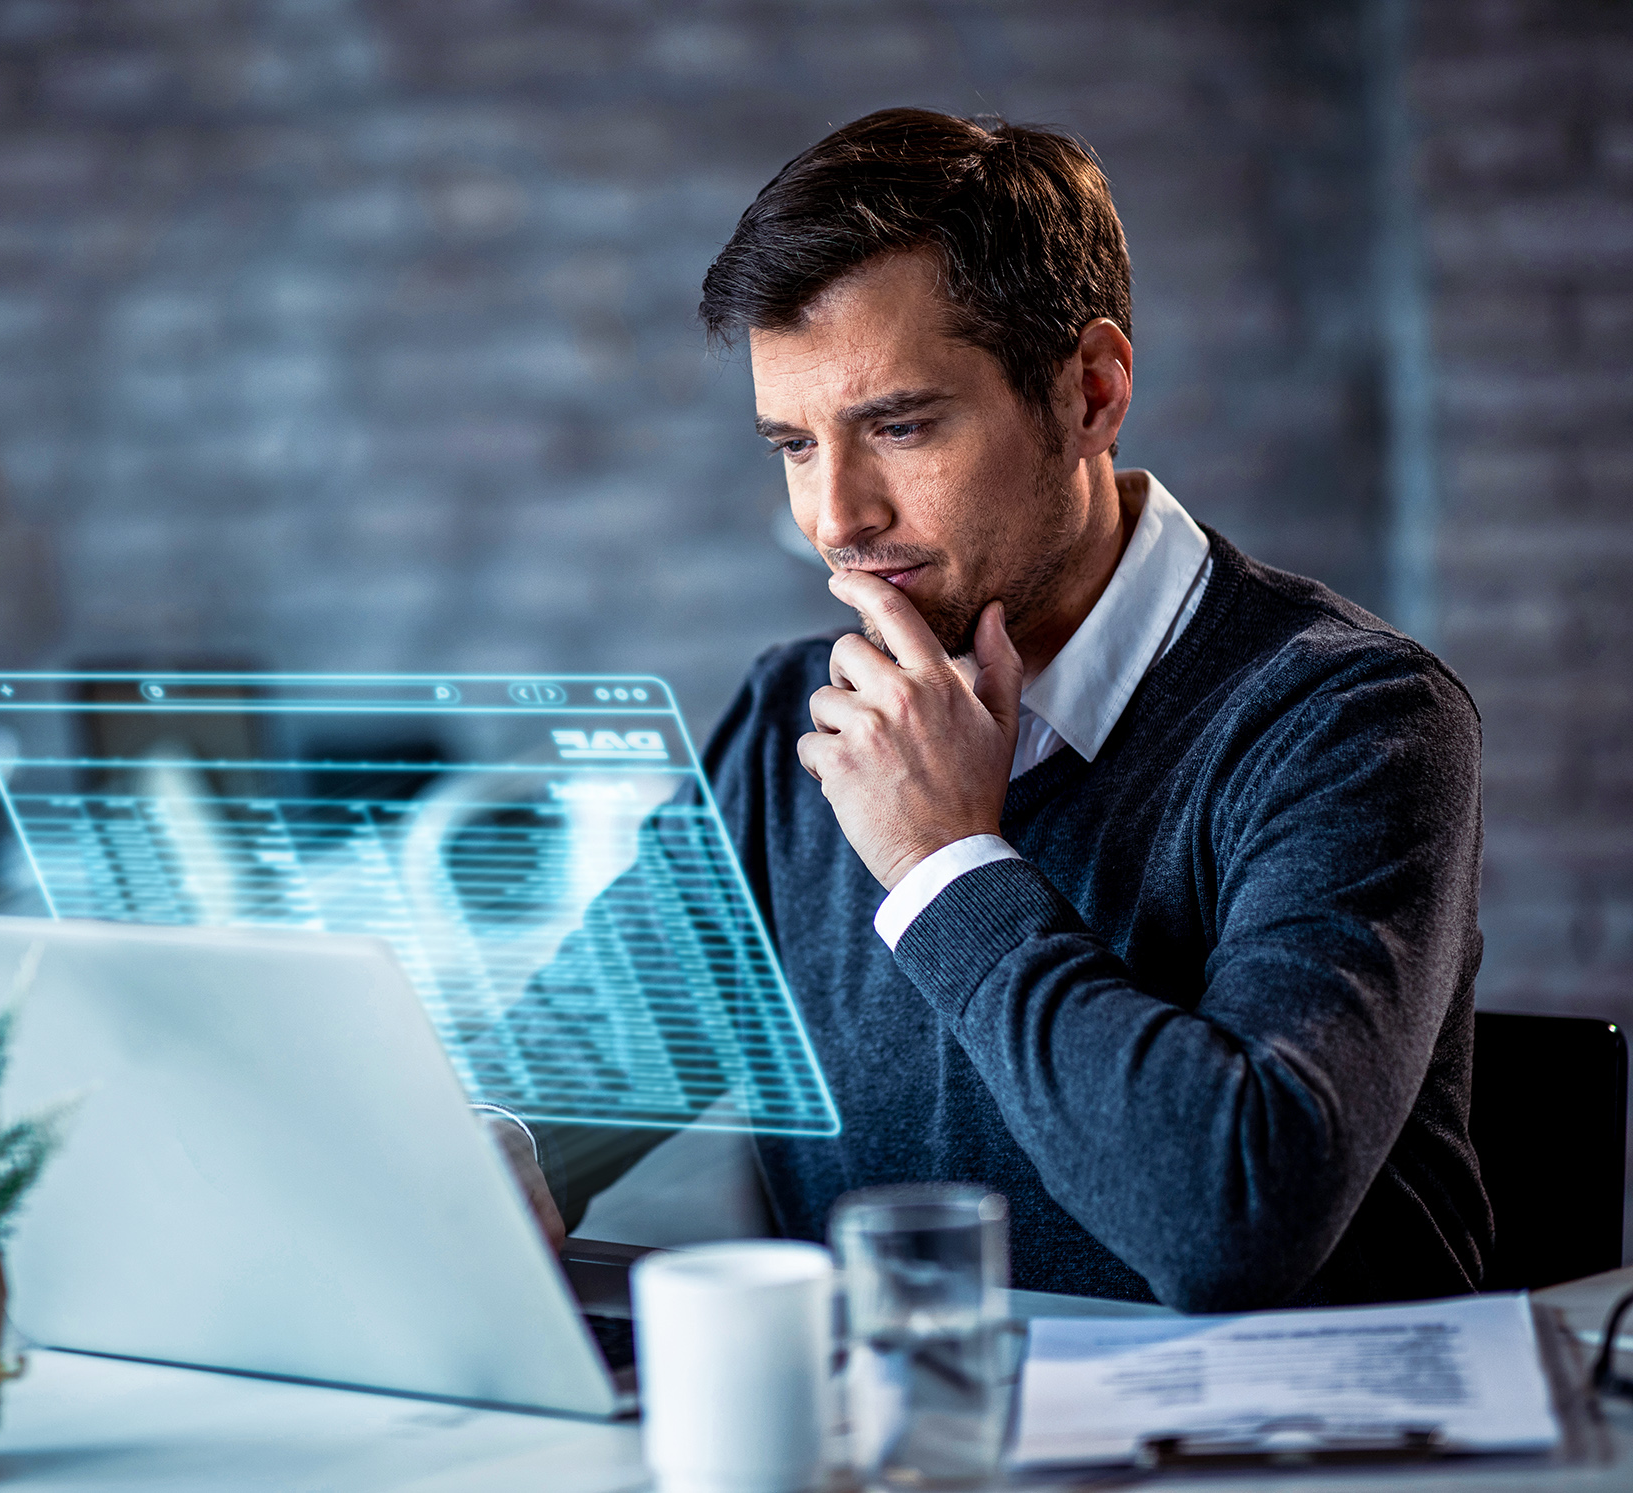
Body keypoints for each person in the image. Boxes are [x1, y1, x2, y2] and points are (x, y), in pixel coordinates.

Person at [484, 107, 1487, 1312]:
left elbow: (1228, 1217)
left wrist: (939, 857)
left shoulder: (1348, 718)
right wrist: (487, 1149)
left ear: (1090, 389)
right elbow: (563, 1086)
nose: (833, 517)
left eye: (897, 426)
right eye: (793, 444)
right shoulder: (786, 729)